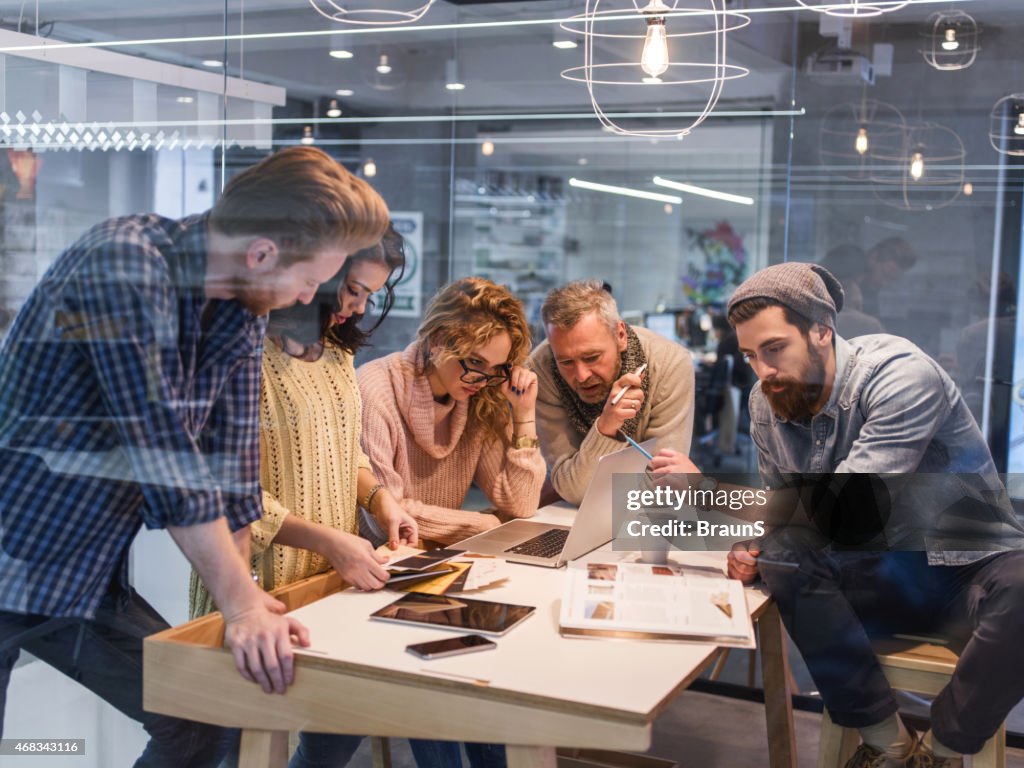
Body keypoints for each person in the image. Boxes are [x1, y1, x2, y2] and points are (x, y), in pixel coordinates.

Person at [0, 146, 390, 766]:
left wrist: (248, 606)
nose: (307, 297)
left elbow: (230, 473)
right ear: (262, 253)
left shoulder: (238, 308)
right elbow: (164, 456)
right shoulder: (124, 265)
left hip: (79, 572)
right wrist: (237, 603)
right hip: (13, 548)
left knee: (204, 720)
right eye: (310, 280)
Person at [655, 262, 1024, 768]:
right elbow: (787, 516)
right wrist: (753, 546)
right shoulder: (769, 403)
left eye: (773, 349)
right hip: (878, 574)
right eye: (749, 356)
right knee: (784, 556)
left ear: (821, 331)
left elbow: (849, 509)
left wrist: (715, 496)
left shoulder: (901, 377)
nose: (761, 372)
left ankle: (942, 751)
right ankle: (887, 743)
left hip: (965, 564)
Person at [358, 276, 545, 546]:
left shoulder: (481, 396)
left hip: (440, 555)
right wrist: (485, 524)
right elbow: (385, 517)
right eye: (475, 361)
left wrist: (524, 413)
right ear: (436, 341)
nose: (482, 379)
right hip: (378, 563)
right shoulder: (376, 390)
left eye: (495, 368)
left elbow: (522, 504)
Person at [529, 280, 695, 505]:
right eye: (566, 361)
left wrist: (585, 479)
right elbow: (571, 490)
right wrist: (605, 428)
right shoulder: (542, 366)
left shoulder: (670, 362)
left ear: (620, 335)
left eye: (591, 357)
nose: (581, 375)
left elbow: (661, 486)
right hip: (570, 514)